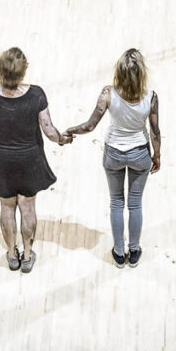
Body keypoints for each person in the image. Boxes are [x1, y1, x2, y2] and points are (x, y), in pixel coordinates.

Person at [0, 47, 71, 273]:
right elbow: (49, 131)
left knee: (7, 205)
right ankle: (28, 256)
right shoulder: (37, 95)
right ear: (23, 71)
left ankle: (12, 254)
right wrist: (62, 139)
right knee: (27, 207)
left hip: (0, 159)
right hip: (29, 159)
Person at [65, 48, 162, 268]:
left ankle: (119, 253)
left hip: (113, 154)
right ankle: (134, 250)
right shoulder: (151, 97)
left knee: (117, 203)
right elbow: (155, 131)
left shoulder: (108, 94)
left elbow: (90, 125)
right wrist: (157, 156)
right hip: (140, 154)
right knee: (135, 204)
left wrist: (70, 130)